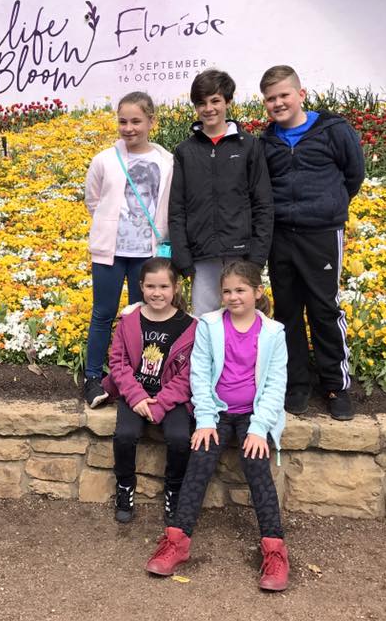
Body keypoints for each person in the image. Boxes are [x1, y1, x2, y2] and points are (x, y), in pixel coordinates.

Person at [144, 260, 289, 592]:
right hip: (218, 413)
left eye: (240, 290)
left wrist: (258, 428)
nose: (233, 297)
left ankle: (275, 551)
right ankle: (176, 542)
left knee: (256, 465)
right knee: (200, 460)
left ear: (257, 292)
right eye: (227, 291)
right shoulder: (209, 326)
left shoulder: (273, 333)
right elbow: (199, 375)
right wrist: (206, 420)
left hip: (254, 415)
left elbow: (274, 385)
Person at [258, 65, 365, 420]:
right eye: (271, 98)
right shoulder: (266, 141)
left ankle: (336, 385)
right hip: (281, 236)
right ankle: (297, 384)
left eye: (284, 95)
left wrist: (328, 207)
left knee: (324, 309)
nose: (278, 103)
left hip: (321, 234)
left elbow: (354, 175)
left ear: (301, 94)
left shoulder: (333, 130)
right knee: (287, 312)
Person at [83, 91, 174, 408]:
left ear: (151, 121)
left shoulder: (165, 161)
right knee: (103, 315)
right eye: (123, 121)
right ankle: (93, 378)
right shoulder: (104, 160)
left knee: (142, 319)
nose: (129, 127)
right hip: (110, 252)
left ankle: (137, 379)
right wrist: (111, 226)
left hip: (147, 256)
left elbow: (167, 204)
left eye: (136, 121)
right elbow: (93, 200)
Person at [169, 68, 273, 317]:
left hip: (241, 253)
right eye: (201, 103)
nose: (209, 108)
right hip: (202, 256)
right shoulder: (185, 151)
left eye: (215, 100)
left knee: (243, 322)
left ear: (228, 101)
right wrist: (184, 260)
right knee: (204, 323)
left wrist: (256, 259)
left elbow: (263, 204)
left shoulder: (249, 146)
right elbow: (177, 209)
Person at [101, 257, 196, 525]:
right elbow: (118, 364)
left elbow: (188, 374)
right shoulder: (129, 321)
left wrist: (161, 402)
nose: (157, 293)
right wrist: (138, 397)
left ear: (175, 288)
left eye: (164, 286)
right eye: (151, 286)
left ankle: (174, 490)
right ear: (141, 286)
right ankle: (125, 486)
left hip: (171, 398)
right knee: (125, 435)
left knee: (179, 438)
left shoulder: (189, 327)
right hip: (135, 394)